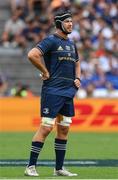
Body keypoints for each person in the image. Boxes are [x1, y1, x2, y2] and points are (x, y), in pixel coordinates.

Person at [24, 11, 81, 177]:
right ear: (59, 24)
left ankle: (59, 169)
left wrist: (77, 77)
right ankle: (30, 167)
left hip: (68, 92)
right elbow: (32, 55)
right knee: (47, 128)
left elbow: (77, 62)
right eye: (67, 21)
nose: (71, 24)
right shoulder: (50, 41)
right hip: (53, 91)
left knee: (64, 130)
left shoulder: (71, 44)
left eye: (71, 21)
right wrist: (45, 71)